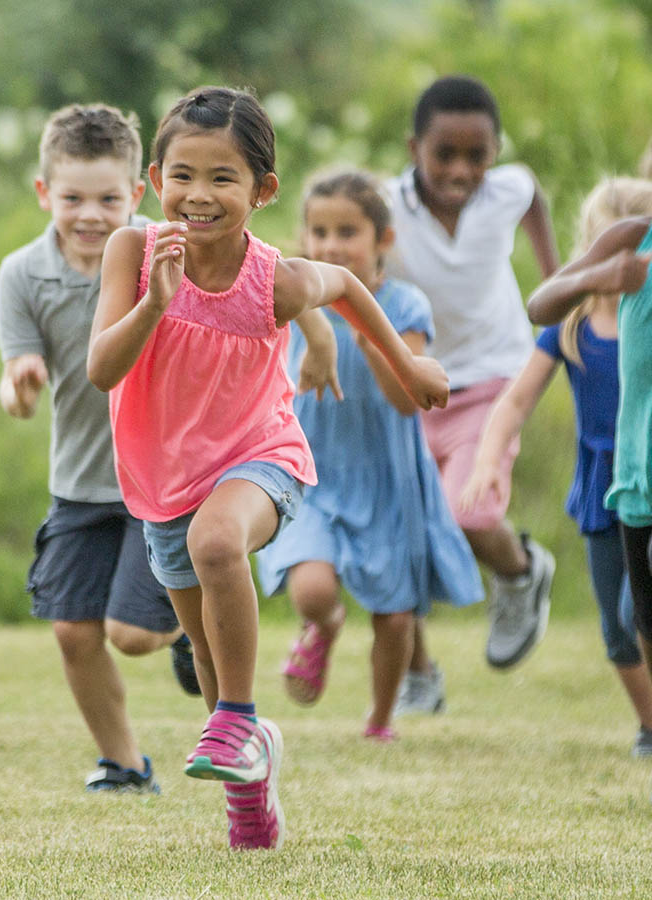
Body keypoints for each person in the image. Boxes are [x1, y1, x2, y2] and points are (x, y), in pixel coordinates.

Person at [88, 86, 449, 849]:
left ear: (263, 190)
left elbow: (347, 286)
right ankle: (250, 782)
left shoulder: (274, 279)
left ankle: (244, 720)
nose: (199, 194)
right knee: (212, 664)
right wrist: (155, 305)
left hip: (261, 457)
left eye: (224, 177)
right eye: (183, 174)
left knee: (217, 545)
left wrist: (408, 371)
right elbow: (100, 371)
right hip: (163, 479)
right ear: (156, 179)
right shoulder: (133, 251)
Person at [0, 103, 200, 796]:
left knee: (132, 634)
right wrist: (21, 387)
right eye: (72, 197)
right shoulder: (22, 275)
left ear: (137, 195)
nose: (90, 215)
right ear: (43, 192)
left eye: (108, 199)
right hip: (80, 482)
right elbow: (18, 387)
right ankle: (125, 765)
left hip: (161, 480)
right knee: (73, 633)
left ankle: (187, 631)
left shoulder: (168, 252)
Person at [255, 168, 482, 742]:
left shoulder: (403, 304)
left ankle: (380, 719)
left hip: (387, 476)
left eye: (346, 232)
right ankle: (324, 626)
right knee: (312, 590)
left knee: (396, 612)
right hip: (310, 471)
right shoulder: (297, 296)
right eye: (319, 232)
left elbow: (408, 404)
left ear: (383, 240)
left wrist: (368, 335)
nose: (330, 246)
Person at [463, 177, 652, 756]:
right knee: (617, 628)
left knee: (635, 607)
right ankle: (648, 726)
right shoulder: (569, 329)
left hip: (644, 470)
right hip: (601, 482)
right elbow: (515, 400)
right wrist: (488, 461)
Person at [384, 74, 560, 683]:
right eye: (444, 155)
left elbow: (531, 192)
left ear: (496, 151)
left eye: (476, 156)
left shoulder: (505, 190)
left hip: (493, 377)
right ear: (414, 150)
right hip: (412, 385)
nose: (460, 171)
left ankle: (518, 572)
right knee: (400, 530)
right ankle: (417, 676)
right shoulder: (384, 207)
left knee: (470, 513)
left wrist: (553, 277)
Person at [526, 198, 652, 769]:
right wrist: (605, 274)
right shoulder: (636, 238)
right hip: (631, 476)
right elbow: (541, 304)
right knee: (630, 623)